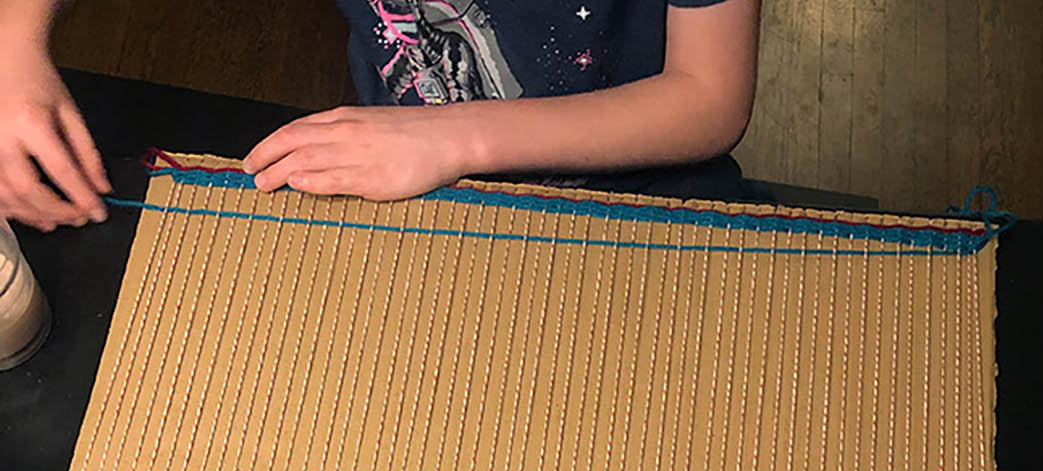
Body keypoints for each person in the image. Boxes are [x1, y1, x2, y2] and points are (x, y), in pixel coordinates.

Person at [0, 0, 759, 231]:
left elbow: (708, 95)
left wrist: (455, 137)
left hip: (638, 190)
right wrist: (12, 41)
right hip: (406, 171)